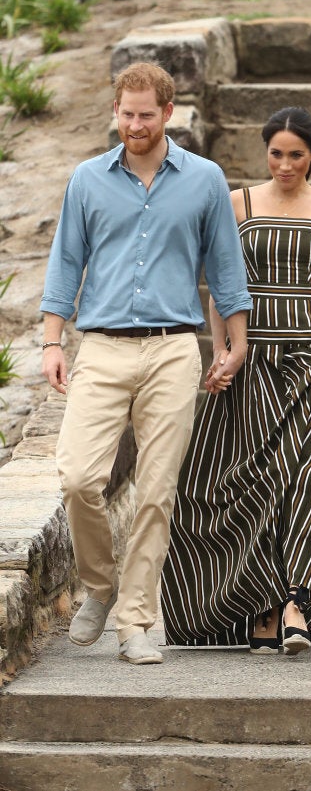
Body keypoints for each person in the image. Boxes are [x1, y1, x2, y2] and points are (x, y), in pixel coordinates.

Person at [40, 61, 252, 666]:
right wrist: (54, 342)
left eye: (146, 114)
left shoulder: (205, 179)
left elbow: (225, 268)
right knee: (79, 477)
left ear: (168, 113)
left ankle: (136, 620)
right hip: (102, 345)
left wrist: (234, 344)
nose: (134, 124)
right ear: (116, 112)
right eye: (126, 114)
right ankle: (101, 588)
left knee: (158, 490)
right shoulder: (86, 180)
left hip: (172, 349)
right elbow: (64, 264)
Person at [161, 105, 311, 656]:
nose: (286, 164)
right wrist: (222, 350)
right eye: (276, 153)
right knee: (247, 491)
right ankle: (262, 606)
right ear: (264, 151)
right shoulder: (235, 204)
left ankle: (297, 603)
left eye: (297, 154)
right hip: (250, 369)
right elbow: (220, 285)